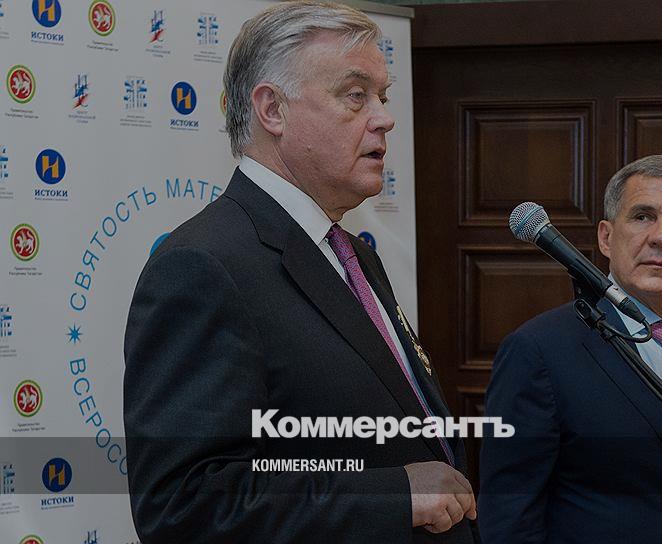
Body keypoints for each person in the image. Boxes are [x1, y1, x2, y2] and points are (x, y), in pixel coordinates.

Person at [123, 3, 476, 542]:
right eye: (355, 95)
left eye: (382, 97)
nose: (384, 118)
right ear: (273, 110)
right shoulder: (202, 266)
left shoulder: (353, 253)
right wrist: (394, 496)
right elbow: (185, 506)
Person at [478, 154, 662, 543]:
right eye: (642, 216)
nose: (661, 237)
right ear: (606, 238)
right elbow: (509, 518)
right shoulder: (538, 350)